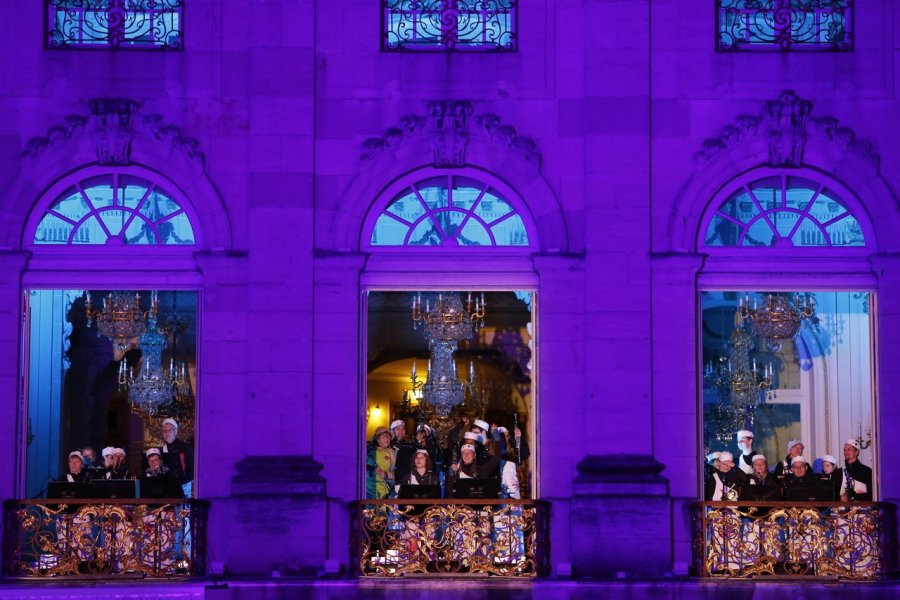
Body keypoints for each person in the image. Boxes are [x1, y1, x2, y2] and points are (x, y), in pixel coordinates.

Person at [160, 418, 194, 498]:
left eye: (169, 430)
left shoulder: (186, 448)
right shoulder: (161, 450)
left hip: (183, 487)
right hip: (167, 488)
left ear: (175, 432)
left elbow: (192, 470)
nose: (166, 433)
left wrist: (180, 482)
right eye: (164, 431)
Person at [366, 426, 397, 499]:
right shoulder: (370, 452)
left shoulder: (392, 452)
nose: (387, 439)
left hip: (386, 490)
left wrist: (385, 475)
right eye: (384, 437)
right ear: (377, 439)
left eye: (388, 437)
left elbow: (396, 473)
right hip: (370, 489)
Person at [390, 419, 415, 487]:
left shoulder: (410, 445)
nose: (401, 431)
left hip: (404, 481)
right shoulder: (387, 445)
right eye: (398, 429)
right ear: (392, 431)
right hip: (390, 480)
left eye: (403, 429)